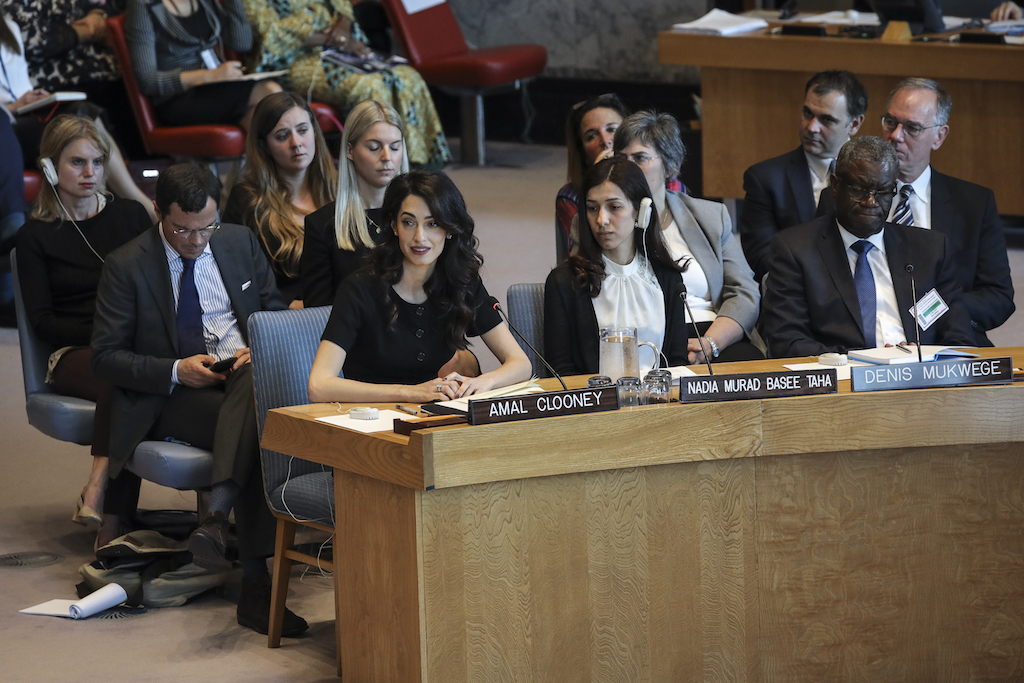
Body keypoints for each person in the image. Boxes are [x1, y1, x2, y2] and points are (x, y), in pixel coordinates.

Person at [91, 162, 305, 637]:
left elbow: (270, 310)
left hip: (243, 376)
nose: (196, 240)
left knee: (253, 394)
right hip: (172, 395)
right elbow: (104, 358)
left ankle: (218, 518)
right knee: (263, 423)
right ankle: (255, 583)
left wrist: (264, 342)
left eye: (206, 226)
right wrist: (174, 370)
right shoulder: (126, 264)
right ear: (157, 212)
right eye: (182, 229)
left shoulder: (238, 241)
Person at [15, 115, 152, 543]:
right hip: (73, 351)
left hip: (133, 345)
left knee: (130, 374)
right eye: (77, 163)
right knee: (123, 374)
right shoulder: (35, 236)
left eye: (97, 162)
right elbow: (42, 323)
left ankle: (100, 495)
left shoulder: (130, 216)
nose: (90, 173)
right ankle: (108, 513)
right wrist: (106, 330)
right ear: (51, 168)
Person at [307, 169, 531, 403]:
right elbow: (319, 385)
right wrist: (409, 393)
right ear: (394, 226)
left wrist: (483, 382)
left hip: (431, 415)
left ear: (450, 228)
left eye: (433, 223)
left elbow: (521, 364)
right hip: (368, 418)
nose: (420, 237)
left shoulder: (461, 281)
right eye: (409, 222)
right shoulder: (359, 288)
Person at [761, 136, 975, 358]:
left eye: (882, 192)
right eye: (859, 190)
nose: (870, 202)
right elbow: (787, 342)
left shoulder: (930, 250)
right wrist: (867, 362)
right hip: (844, 380)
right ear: (835, 186)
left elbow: (960, 338)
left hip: (921, 377)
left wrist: (921, 358)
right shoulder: (796, 250)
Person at [614, 110, 762, 364]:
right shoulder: (603, 222)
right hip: (644, 337)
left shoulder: (710, 216)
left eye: (640, 158)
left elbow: (744, 291)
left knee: (751, 369)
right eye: (621, 158)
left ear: (669, 165)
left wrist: (711, 343)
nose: (628, 168)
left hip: (712, 332)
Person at [878, 78, 1014, 346]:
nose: (895, 135)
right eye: (890, 122)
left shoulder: (974, 204)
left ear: (939, 136)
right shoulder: (849, 197)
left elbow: (998, 296)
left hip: (950, 337)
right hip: (869, 337)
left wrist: (927, 312)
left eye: (912, 128)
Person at [241, 0, 450, 167]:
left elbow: (342, 7)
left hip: (338, 48)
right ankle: (371, 167)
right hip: (290, 61)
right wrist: (332, 38)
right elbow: (268, 33)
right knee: (369, 86)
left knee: (407, 75)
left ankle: (416, 163)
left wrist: (343, 24)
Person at [1, 12, 156, 221]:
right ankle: (141, 208)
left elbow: (19, 82)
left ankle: (111, 212)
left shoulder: (9, 25)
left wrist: (33, 98)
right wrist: (10, 106)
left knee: (83, 113)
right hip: (5, 122)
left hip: (26, 114)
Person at [544, 156, 690, 376]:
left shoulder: (668, 278)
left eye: (614, 207)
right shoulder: (564, 281)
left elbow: (677, 362)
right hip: (595, 405)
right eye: (592, 208)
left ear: (640, 212)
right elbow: (560, 371)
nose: (601, 219)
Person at [738, 70, 867, 284]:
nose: (811, 127)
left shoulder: (873, 176)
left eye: (826, 120)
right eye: (808, 113)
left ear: (854, 124)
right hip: (796, 295)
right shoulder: (766, 179)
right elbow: (762, 260)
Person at [223, 91, 337, 306]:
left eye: (303, 130)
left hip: (342, 313)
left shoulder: (341, 187)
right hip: (286, 319)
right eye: (282, 136)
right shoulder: (247, 198)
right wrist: (283, 303)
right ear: (264, 145)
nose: (296, 143)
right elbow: (236, 276)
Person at [302, 98, 408, 308]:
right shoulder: (322, 226)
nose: (387, 157)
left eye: (395, 147)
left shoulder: (424, 215)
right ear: (350, 150)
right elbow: (317, 314)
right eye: (374, 147)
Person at [125, 0, 282, 132]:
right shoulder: (143, 5)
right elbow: (147, 81)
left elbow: (241, 44)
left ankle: (268, 167)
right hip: (178, 99)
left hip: (215, 88)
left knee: (262, 111)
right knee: (269, 93)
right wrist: (211, 76)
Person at [555, 93, 629, 262]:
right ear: (584, 154)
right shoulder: (570, 196)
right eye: (592, 136)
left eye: (612, 130)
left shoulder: (666, 184)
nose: (605, 141)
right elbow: (587, 254)